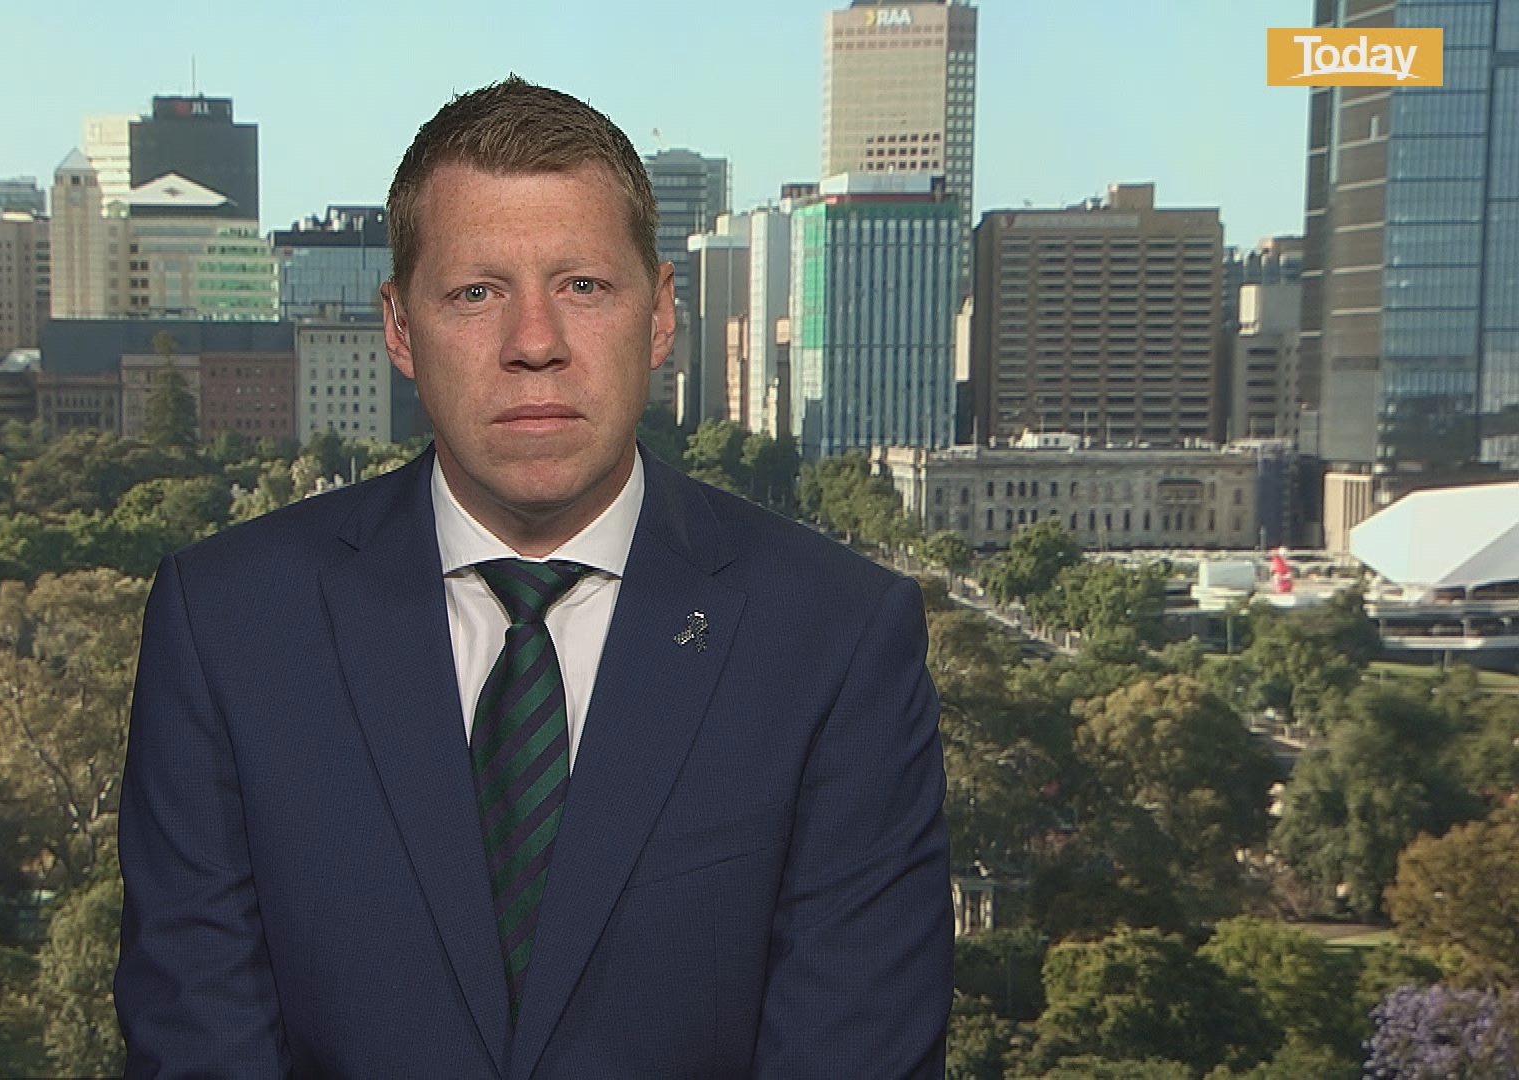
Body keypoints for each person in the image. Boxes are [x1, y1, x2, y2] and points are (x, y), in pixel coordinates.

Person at [116, 76, 951, 1078]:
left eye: (583, 286)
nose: (535, 345)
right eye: (477, 293)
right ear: (399, 328)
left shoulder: (837, 637)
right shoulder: (227, 625)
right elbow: (198, 1035)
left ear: (660, 316)